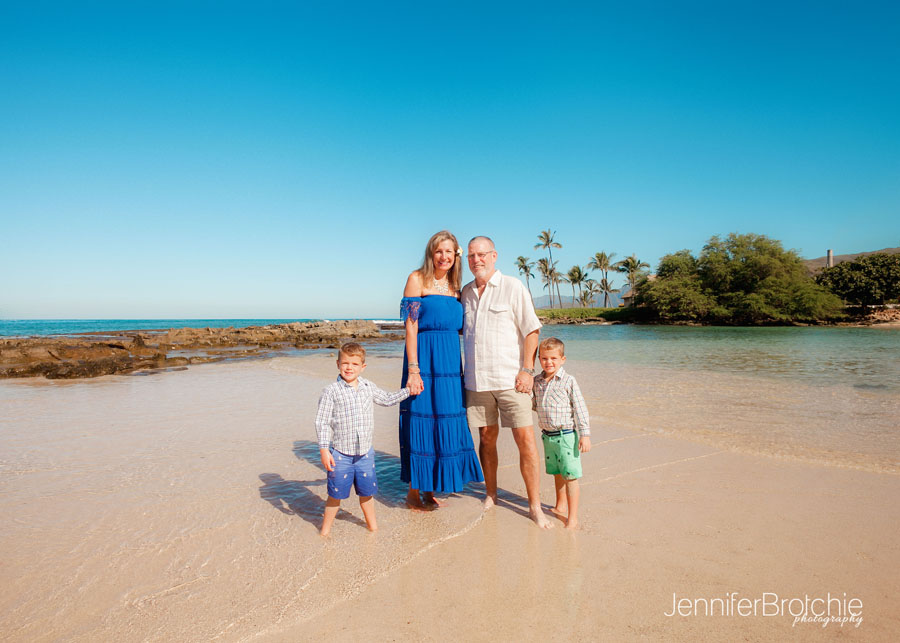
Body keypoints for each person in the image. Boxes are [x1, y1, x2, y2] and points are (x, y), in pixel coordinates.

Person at [461, 235, 551, 528]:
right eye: (472, 256)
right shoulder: (465, 293)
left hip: (512, 381)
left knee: (525, 440)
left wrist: (527, 369)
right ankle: (491, 494)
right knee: (486, 440)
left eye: (482, 254)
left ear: (494, 255)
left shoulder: (512, 286)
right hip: (477, 382)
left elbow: (532, 330)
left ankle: (535, 506)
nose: (477, 260)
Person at [400, 231, 483, 509]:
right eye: (439, 251)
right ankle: (413, 493)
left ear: (455, 255)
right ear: (430, 253)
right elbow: (410, 327)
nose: (444, 257)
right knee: (421, 420)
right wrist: (413, 369)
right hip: (423, 359)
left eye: (449, 251)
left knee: (446, 420)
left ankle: (430, 489)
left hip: (449, 365)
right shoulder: (416, 279)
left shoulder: (458, 288)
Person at [315, 342, 409, 537]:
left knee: (367, 494)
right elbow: (322, 422)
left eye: (355, 364)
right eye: (345, 363)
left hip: (365, 453)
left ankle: (372, 527)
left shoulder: (368, 386)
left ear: (362, 367)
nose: (349, 367)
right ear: (338, 363)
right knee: (335, 495)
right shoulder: (331, 391)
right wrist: (324, 450)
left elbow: (387, 399)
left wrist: (409, 391)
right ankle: (324, 531)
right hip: (340, 454)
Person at [532, 337, 591, 530]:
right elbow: (534, 405)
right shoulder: (537, 381)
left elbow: (580, 408)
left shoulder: (568, 381)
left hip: (566, 435)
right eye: (544, 358)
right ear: (539, 359)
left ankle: (572, 517)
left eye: (553, 358)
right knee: (557, 472)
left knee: (570, 475)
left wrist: (585, 434)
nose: (549, 362)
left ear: (562, 359)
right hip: (547, 436)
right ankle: (560, 504)